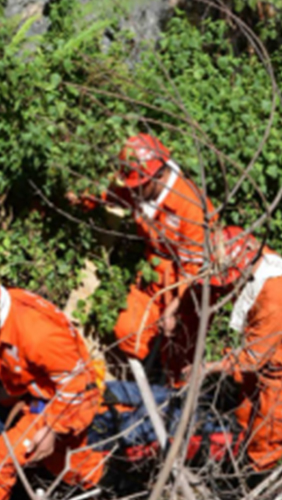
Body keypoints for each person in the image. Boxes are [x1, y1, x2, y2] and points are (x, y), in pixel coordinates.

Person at [0, 270, 106, 500]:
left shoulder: (38, 334)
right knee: (72, 464)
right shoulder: (7, 310)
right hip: (47, 395)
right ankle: (106, 488)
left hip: (66, 404)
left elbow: (76, 384)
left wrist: (51, 429)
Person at [75, 133, 217, 385]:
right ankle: (144, 372)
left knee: (179, 353)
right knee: (127, 329)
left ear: (158, 175)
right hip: (153, 274)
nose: (134, 190)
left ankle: (175, 397)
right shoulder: (140, 189)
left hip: (189, 285)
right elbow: (111, 193)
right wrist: (81, 197)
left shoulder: (188, 205)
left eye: (139, 184)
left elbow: (194, 267)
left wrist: (175, 308)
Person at [190, 226, 282, 475]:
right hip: (266, 352)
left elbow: (251, 359)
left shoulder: (273, 297)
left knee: (267, 437)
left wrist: (207, 369)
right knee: (244, 415)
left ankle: (256, 479)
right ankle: (236, 459)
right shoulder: (255, 258)